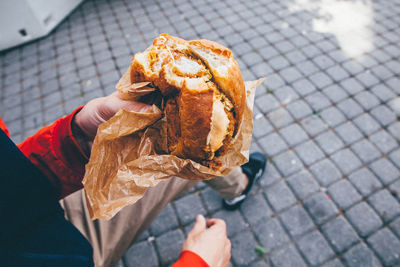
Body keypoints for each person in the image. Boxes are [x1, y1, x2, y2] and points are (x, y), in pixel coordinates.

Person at [1, 91, 266, 267]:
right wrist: (196, 262)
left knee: (183, 137)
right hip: (56, 250)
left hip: (30, 215)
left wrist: (75, 142)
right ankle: (238, 187)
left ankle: (236, 186)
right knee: (193, 149)